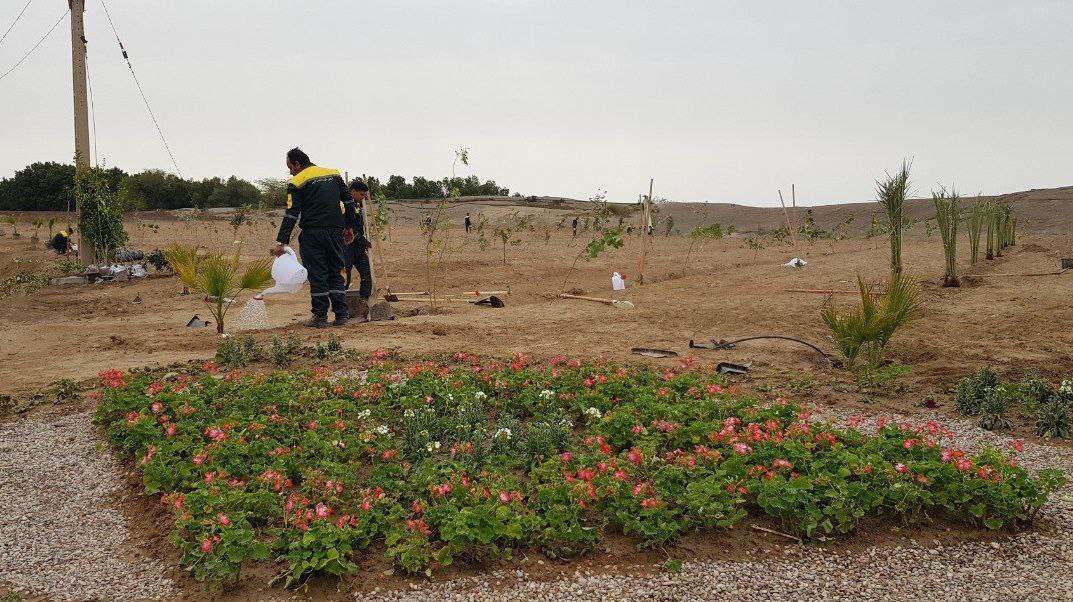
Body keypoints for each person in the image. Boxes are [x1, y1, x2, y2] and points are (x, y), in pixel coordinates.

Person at [273, 147, 358, 328]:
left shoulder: (297, 181)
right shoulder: (333, 174)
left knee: (318, 274)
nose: (290, 172)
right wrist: (349, 227)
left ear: (297, 164)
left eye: (290, 167)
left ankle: (320, 317)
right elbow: (349, 201)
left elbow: (291, 213)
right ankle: (341, 315)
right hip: (336, 231)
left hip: (313, 234)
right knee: (336, 271)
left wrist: (282, 242)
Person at [344, 178, 374, 308]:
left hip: (359, 247)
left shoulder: (357, 205)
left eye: (365, 195)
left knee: (366, 272)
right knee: (345, 275)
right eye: (361, 194)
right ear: (353, 191)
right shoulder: (344, 205)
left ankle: (364, 300)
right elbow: (348, 228)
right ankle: (339, 303)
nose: (364, 197)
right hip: (346, 246)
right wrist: (363, 241)